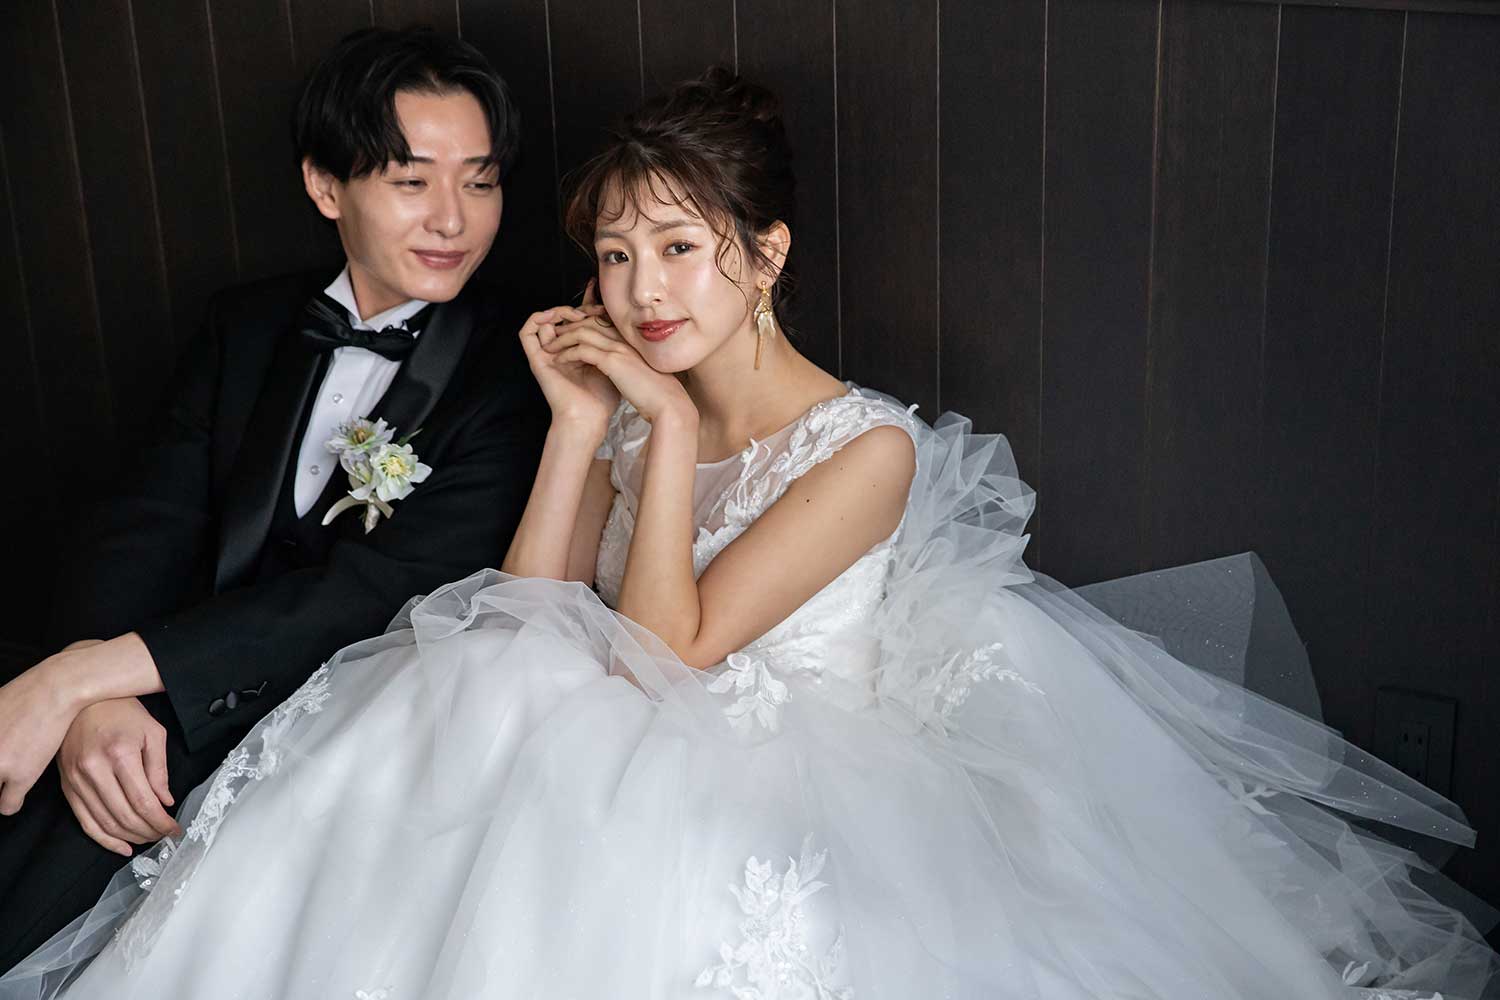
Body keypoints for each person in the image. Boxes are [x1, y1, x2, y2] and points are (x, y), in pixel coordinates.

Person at [3, 67, 1495, 1000]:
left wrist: (658, 423)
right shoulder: (618, 401)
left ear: (765, 256)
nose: (643, 289)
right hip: (592, 716)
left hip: (764, 756)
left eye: (680, 248)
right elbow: (520, 606)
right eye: (614, 255)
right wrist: (585, 423)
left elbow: (672, 648)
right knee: (446, 709)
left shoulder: (870, 449)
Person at [0, 26, 545, 973]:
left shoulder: (518, 371)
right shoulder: (244, 324)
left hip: (331, 727)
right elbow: (142, 525)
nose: (453, 220)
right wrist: (89, 693)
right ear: (326, 186)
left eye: (482, 181)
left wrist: (84, 679)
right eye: (412, 182)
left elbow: (378, 592)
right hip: (150, 688)